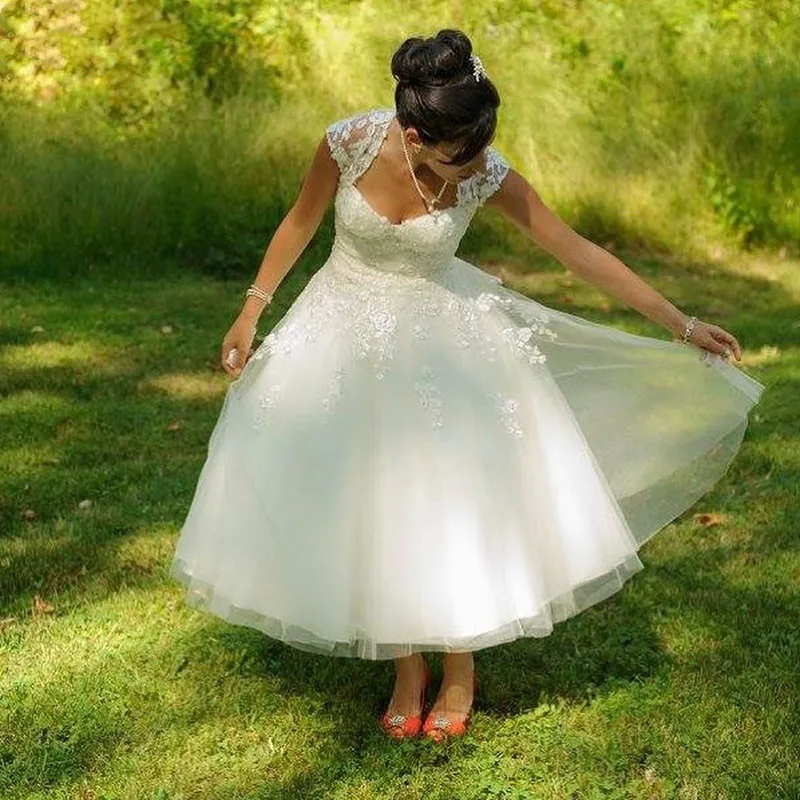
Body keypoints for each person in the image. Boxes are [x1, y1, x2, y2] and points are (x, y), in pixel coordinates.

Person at [169, 28, 765, 741]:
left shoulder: (484, 171)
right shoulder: (346, 144)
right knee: (364, 493)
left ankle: (459, 669)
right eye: (462, 155)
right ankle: (406, 665)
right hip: (340, 328)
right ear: (415, 135)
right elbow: (300, 222)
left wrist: (680, 321)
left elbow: (574, 249)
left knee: (444, 492)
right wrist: (251, 309)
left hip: (439, 337)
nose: (477, 167)